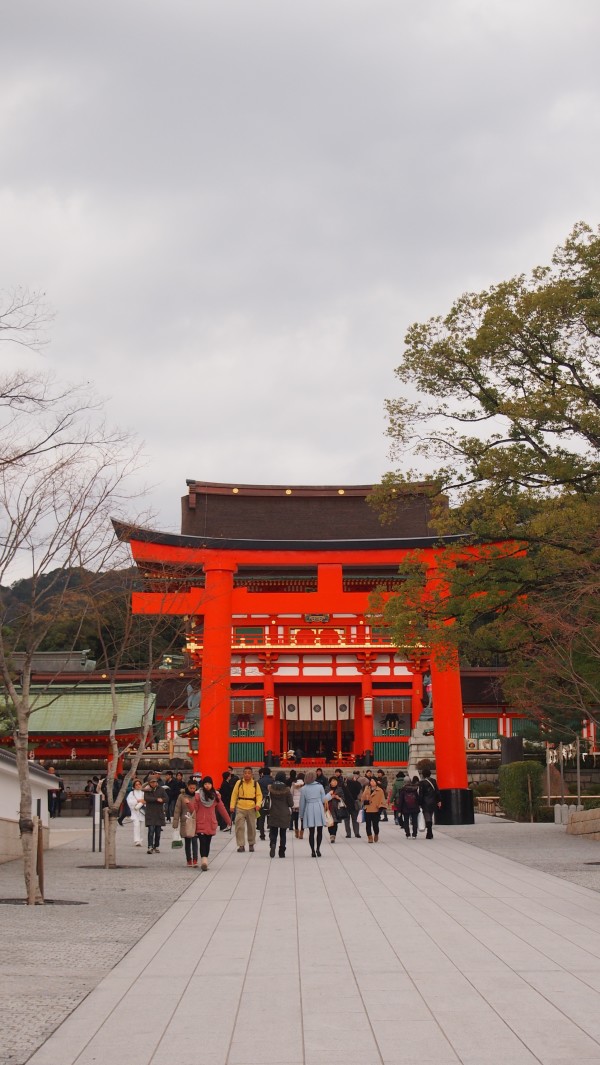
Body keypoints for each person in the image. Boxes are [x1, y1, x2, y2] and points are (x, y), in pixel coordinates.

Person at [193, 776, 231, 870]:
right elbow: (194, 809)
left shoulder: (216, 796)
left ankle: (205, 859)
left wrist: (228, 821)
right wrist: (189, 804)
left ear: (212, 785)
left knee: (208, 843)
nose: (207, 786)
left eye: (209, 784)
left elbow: (222, 808)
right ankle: (204, 861)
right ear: (203, 785)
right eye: (205, 784)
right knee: (202, 842)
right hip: (200, 822)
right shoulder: (198, 796)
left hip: (211, 823)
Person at [230, 766, 263, 852]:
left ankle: (251, 844)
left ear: (252, 774)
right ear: (243, 774)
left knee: (251, 827)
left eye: (249, 773)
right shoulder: (239, 783)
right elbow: (234, 795)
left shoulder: (255, 784)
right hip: (240, 807)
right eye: (245, 773)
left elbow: (259, 795)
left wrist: (258, 804)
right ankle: (241, 845)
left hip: (252, 807)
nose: (247, 775)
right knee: (239, 827)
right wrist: (232, 806)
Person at [299, 770, 327, 857]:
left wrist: (301, 815)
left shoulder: (303, 788)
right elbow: (323, 800)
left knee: (311, 832)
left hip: (309, 807)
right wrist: (330, 795)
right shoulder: (320, 786)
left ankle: (312, 851)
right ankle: (318, 849)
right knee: (319, 830)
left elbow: (302, 803)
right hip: (318, 807)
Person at [172, 779, 199, 865]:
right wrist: (175, 823)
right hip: (185, 821)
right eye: (191, 788)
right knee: (187, 841)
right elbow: (177, 809)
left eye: (194, 788)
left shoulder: (198, 796)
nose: (192, 789)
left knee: (195, 840)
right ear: (187, 786)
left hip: (195, 821)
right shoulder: (181, 796)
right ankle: (189, 859)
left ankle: (195, 859)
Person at [267, 771, 293, 857]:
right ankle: (282, 851)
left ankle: (273, 844)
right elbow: (291, 803)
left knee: (273, 831)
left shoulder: (270, 788)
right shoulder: (287, 789)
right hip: (284, 814)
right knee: (283, 834)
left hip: (273, 813)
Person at [143, 776, 167, 853]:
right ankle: (150, 846)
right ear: (149, 783)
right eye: (152, 782)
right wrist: (156, 799)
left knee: (158, 832)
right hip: (150, 812)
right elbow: (147, 798)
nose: (154, 783)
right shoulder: (147, 790)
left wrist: (162, 800)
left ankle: (156, 846)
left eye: (155, 782)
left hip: (159, 813)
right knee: (151, 831)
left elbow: (166, 798)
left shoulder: (161, 789)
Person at [360, 775, 387, 842]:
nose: (371, 782)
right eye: (370, 781)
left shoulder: (380, 790)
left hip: (376, 810)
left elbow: (382, 800)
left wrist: (380, 810)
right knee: (368, 825)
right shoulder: (367, 789)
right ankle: (370, 837)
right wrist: (365, 800)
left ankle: (376, 834)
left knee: (375, 825)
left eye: (373, 781)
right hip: (368, 809)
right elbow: (362, 798)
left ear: (376, 782)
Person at [325, 776, 351, 843]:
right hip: (329, 808)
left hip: (337, 808)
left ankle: (333, 836)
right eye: (332, 781)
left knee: (335, 823)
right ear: (330, 782)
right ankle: (331, 834)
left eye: (335, 781)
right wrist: (330, 796)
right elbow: (324, 798)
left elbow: (343, 798)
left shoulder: (340, 789)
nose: (334, 782)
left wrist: (338, 797)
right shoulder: (326, 788)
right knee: (330, 823)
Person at [418, 767, 442, 839]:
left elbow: (421, 794)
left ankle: (429, 832)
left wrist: (419, 803)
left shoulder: (421, 783)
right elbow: (437, 791)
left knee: (427, 816)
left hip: (425, 802)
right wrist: (439, 800)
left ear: (423, 774)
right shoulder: (434, 781)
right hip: (433, 801)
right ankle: (430, 831)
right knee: (430, 815)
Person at [126, 779, 146, 846]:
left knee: (142, 827)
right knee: (136, 826)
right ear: (134, 786)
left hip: (142, 812)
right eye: (136, 785)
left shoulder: (143, 793)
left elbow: (146, 801)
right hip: (135, 812)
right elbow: (130, 802)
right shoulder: (131, 793)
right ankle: (137, 840)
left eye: (139, 784)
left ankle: (141, 840)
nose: (138, 786)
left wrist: (143, 802)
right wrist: (138, 801)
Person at [257, 766, 274, 840]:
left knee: (261, 819)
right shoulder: (273, 781)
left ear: (263, 773)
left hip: (261, 801)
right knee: (271, 818)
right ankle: (271, 834)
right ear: (270, 773)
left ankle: (262, 834)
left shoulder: (259, 781)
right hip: (271, 801)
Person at [345, 770, 363, 838]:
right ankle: (357, 833)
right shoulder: (357, 783)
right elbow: (360, 792)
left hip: (346, 804)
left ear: (346, 778)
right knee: (355, 819)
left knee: (346, 820)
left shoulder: (344, 784)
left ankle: (348, 834)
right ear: (353, 778)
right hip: (354, 803)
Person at [290, 773, 305, 837]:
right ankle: (301, 833)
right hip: (302, 804)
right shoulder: (305, 784)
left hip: (295, 804)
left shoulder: (294, 784)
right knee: (302, 819)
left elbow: (291, 793)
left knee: (295, 819)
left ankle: (296, 832)